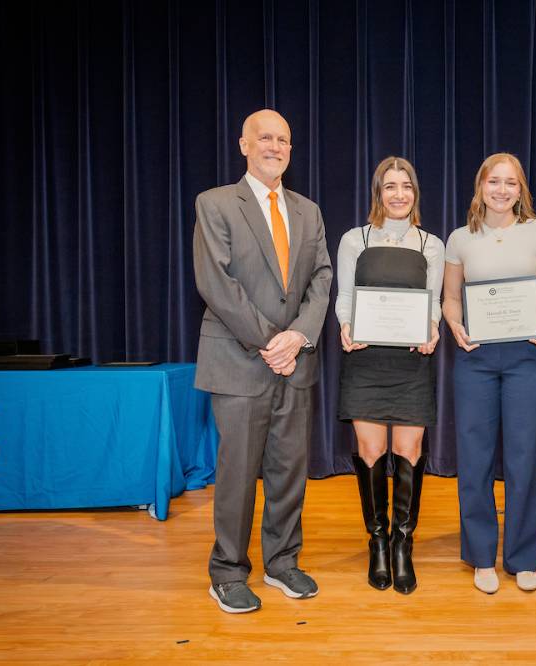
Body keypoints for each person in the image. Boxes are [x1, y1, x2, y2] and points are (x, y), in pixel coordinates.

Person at [193, 109, 332, 613]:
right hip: (238, 361)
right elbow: (216, 284)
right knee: (236, 473)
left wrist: (297, 336)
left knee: (288, 470)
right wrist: (273, 340)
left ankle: (283, 561)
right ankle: (227, 571)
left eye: (284, 140)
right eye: (265, 138)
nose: (275, 146)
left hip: (294, 361)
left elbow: (321, 277)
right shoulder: (214, 204)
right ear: (244, 145)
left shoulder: (308, 210)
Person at [442, 153, 536, 594]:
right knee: (474, 459)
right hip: (475, 357)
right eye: (494, 181)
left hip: (527, 356)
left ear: (521, 189)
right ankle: (480, 557)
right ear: (481, 186)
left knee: (525, 457)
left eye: (511, 183)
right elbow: (450, 298)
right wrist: (453, 324)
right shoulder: (460, 238)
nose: (502, 190)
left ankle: (523, 557)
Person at [336, 156, 444, 594]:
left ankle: (403, 543)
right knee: (371, 447)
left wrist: (432, 329)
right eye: (390, 187)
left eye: (407, 187)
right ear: (378, 193)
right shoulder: (354, 239)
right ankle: (377, 541)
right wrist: (346, 325)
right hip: (365, 358)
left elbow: (433, 301)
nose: (399, 194)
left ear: (415, 194)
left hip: (410, 360)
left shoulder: (429, 244)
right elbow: (344, 296)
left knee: (409, 447)